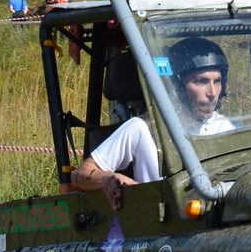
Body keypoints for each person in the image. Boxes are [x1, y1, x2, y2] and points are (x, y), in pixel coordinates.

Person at [72, 38, 234, 210]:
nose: (213, 92)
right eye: (201, 81)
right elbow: (79, 175)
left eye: (218, 81)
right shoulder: (144, 128)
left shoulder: (228, 129)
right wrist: (108, 178)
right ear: (178, 85)